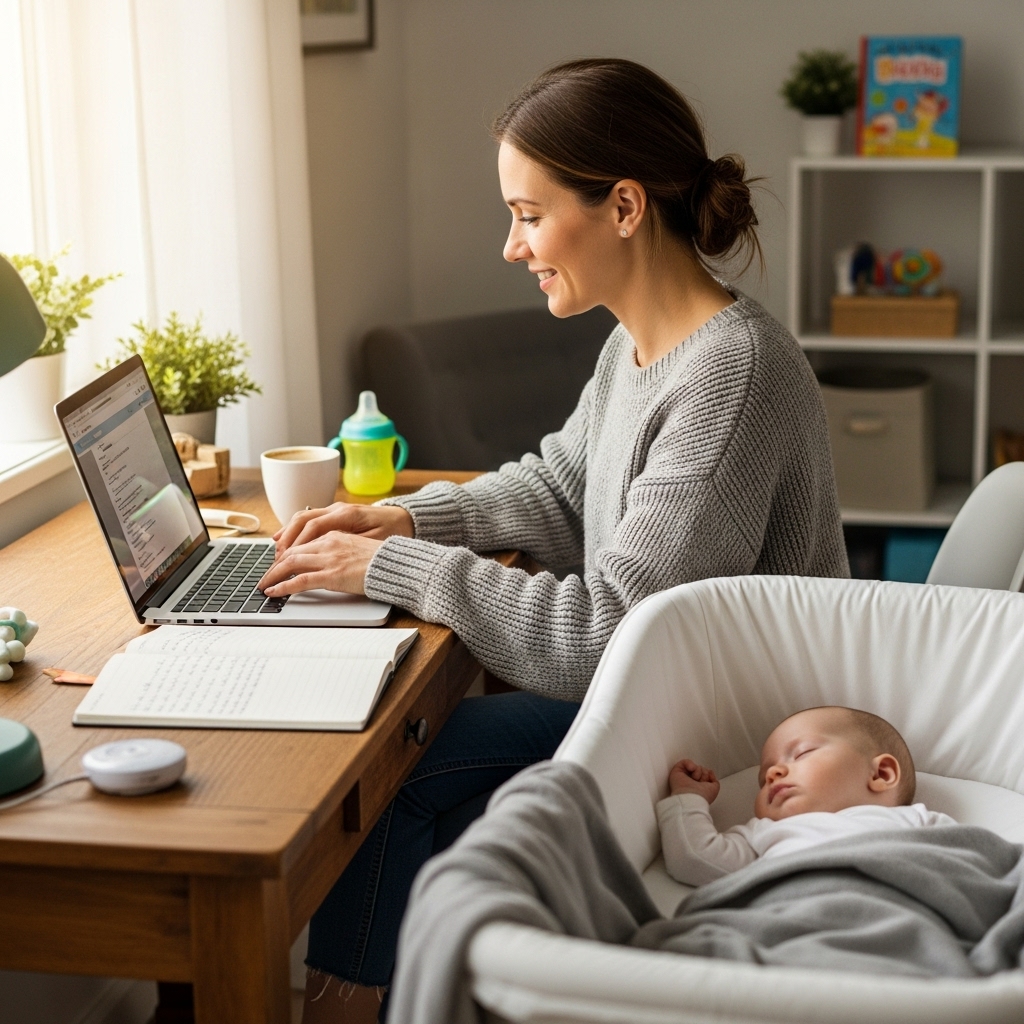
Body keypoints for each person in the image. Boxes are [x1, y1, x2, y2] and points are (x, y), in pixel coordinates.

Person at [258, 57, 850, 1022]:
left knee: (384, 775)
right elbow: (565, 482)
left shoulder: (730, 377)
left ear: (623, 206)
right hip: (658, 694)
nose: (511, 245)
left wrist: (395, 565)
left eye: (529, 215)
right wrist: (405, 517)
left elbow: (601, 634)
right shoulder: (641, 340)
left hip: (717, 733)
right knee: (399, 768)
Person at [660, 706, 955, 887]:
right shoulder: (764, 835)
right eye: (763, 779)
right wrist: (689, 796)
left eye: (802, 753)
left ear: (880, 775)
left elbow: (975, 867)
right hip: (796, 915)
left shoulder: (916, 820)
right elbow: (694, 858)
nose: (774, 773)